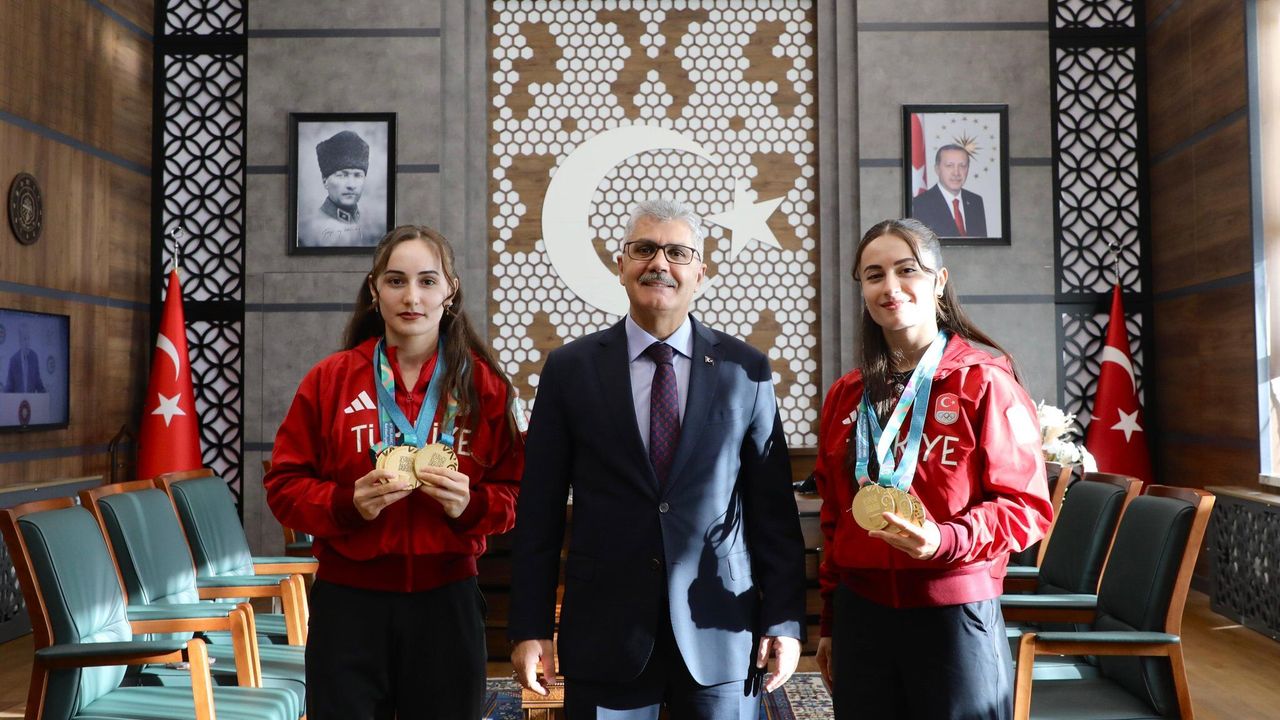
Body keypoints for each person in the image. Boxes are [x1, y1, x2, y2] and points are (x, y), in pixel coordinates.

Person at [509, 198, 807, 719]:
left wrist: (783, 619)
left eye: (677, 252)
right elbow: (539, 511)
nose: (659, 263)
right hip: (606, 632)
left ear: (701, 272)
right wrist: (530, 627)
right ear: (620, 265)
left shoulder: (746, 370)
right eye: (644, 249)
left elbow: (773, 513)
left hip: (722, 629)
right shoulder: (569, 369)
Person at [264, 225, 524, 719]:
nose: (412, 297)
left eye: (427, 281)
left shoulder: (484, 387)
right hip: (349, 605)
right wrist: (346, 504)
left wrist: (472, 506)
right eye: (396, 280)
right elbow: (283, 486)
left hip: (447, 603)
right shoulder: (330, 379)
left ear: (450, 291)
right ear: (374, 289)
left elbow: (515, 494)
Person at [813, 218, 1052, 719]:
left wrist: (943, 540)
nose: (890, 287)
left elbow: (1026, 508)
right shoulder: (846, 395)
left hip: (953, 613)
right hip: (861, 616)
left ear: (939, 281)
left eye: (907, 270)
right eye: (874, 275)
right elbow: (834, 517)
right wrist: (831, 621)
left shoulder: (984, 382)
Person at [296, 129, 383, 247]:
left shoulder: (374, 226)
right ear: (325, 180)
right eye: (342, 175)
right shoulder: (307, 231)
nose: (351, 185)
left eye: (357, 175)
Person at [911, 144, 988, 238]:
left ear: (968, 169)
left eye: (962, 166)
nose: (956, 173)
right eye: (949, 166)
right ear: (937, 169)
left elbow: (981, 243)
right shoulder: (920, 204)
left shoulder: (975, 201)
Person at [5, 323, 45, 393]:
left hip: (31, 399)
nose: (27, 342)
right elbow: (9, 385)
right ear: (20, 341)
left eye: (28, 338)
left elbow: (38, 382)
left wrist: (45, 394)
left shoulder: (34, 357)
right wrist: (3, 396)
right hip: (17, 399)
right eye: (25, 339)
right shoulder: (13, 360)